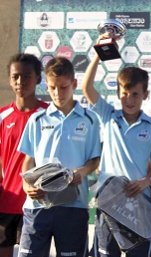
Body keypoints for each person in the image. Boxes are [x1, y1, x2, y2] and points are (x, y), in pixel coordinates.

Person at [81, 34, 151, 257]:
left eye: (135, 94)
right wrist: (99, 53)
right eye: (124, 93)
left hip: (140, 203)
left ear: (145, 95)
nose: (129, 99)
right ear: (118, 93)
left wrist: (146, 182)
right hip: (108, 202)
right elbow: (86, 87)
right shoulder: (108, 116)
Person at [17, 57, 101, 257]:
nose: (57, 93)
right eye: (53, 88)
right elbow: (29, 159)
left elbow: (95, 159)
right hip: (38, 206)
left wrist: (81, 172)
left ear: (73, 84)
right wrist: (27, 185)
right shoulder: (37, 119)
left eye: (63, 87)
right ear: (46, 85)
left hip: (73, 205)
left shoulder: (90, 120)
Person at [0, 53, 49, 257]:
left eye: (27, 76)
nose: (21, 82)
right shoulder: (3, 116)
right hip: (5, 202)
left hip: (36, 203)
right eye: (16, 77)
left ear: (38, 78)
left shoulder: (49, 114)